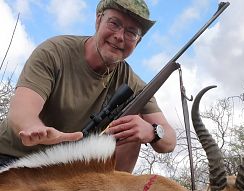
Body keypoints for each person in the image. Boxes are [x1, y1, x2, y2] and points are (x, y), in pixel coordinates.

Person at [0, 0, 176, 172]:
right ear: (98, 20)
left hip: (64, 176)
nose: (120, 36)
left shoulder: (135, 85)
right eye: (114, 24)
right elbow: (21, 113)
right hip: (12, 159)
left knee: (132, 126)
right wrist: (35, 130)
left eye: (131, 32)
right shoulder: (54, 52)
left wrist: (152, 132)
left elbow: (169, 140)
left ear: (138, 41)